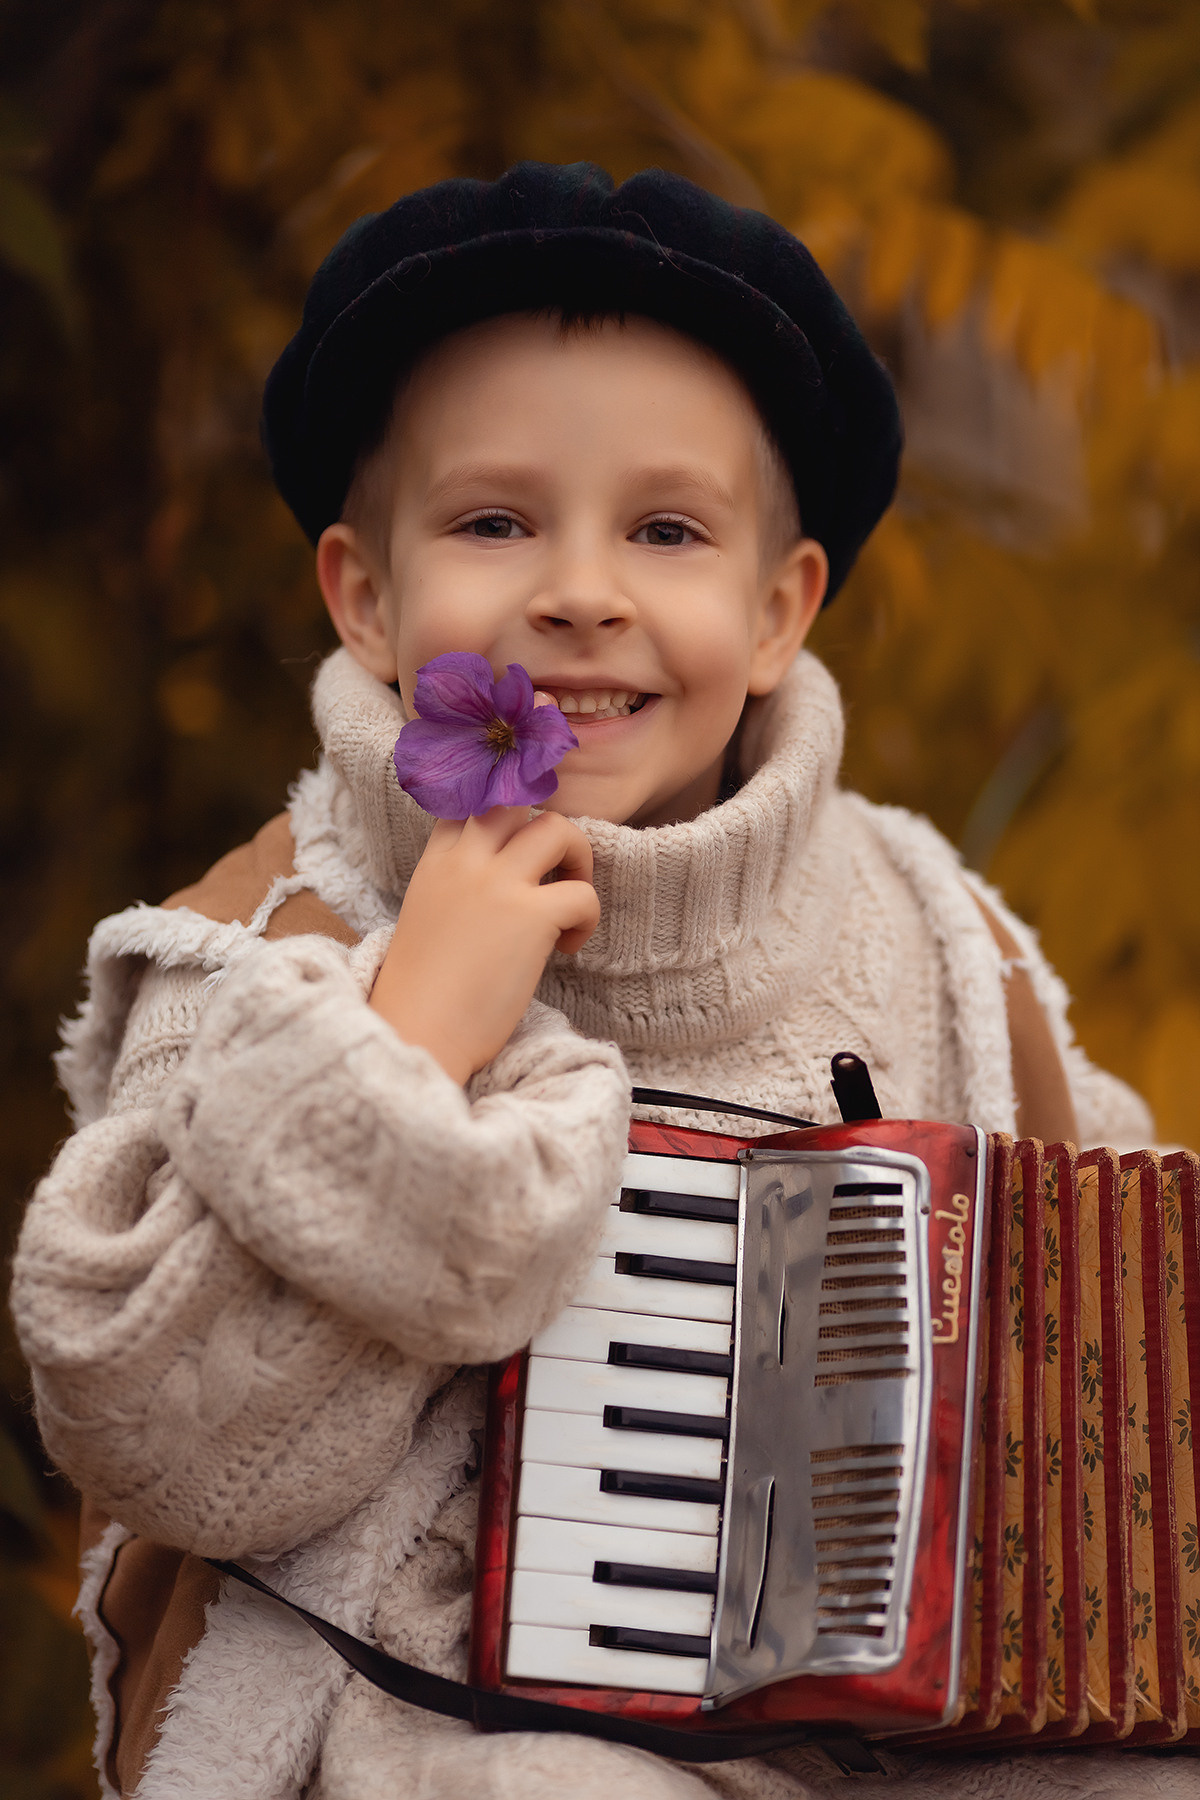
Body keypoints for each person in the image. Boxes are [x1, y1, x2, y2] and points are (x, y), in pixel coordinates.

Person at [10, 163, 1172, 1800]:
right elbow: (159, 1441)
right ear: (364, 597)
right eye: (494, 522)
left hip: (896, 1743)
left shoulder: (928, 930)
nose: (579, 588)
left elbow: (1114, 1358)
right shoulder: (278, 943)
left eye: (667, 530)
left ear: (779, 613)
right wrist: (403, 1045)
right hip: (428, 1726)